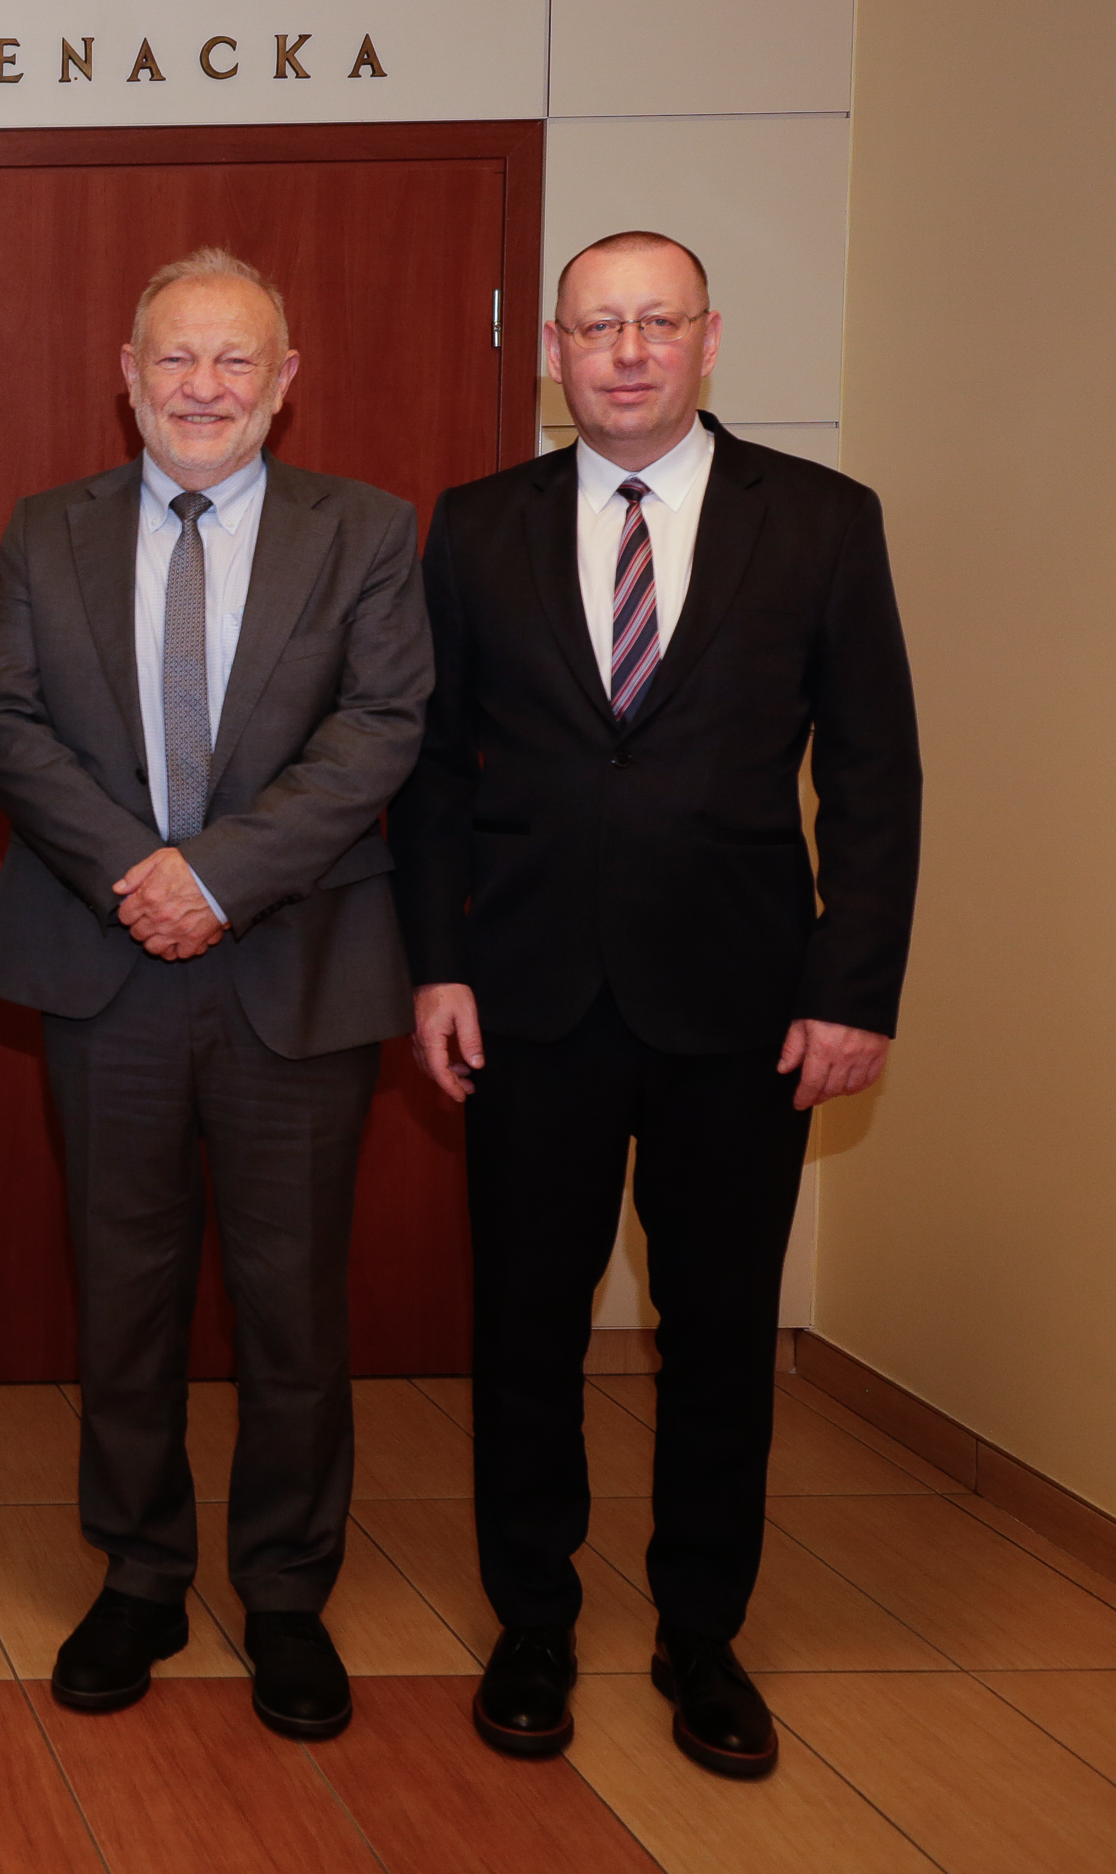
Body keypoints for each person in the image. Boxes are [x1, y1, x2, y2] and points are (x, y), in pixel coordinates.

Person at [396, 231, 920, 1779]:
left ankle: (704, 1632)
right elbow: (431, 772)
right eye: (595, 327)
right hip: (528, 997)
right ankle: (534, 1621)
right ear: (554, 352)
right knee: (527, 1326)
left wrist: (854, 986)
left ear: (708, 340)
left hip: (745, 1006)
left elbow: (877, 776)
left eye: (656, 324)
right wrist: (436, 960)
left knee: (718, 1336)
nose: (625, 351)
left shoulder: (821, 522)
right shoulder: (477, 526)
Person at [0, 249, 430, 1742]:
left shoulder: (364, 532)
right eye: (178, 358)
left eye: (238, 361)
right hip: (111, 969)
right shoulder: (50, 532)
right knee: (127, 1291)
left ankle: (285, 1591)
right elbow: (10, 725)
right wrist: (143, 874)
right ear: (128, 371)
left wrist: (219, 874)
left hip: (293, 965)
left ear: (284, 382)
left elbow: (378, 731)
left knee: (293, 1303)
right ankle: (143, 1572)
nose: (205, 387)